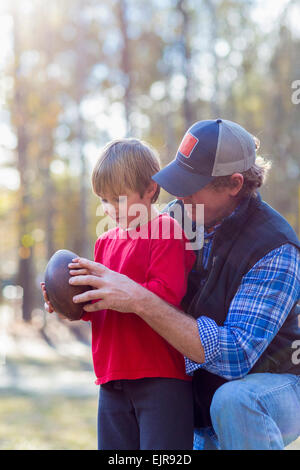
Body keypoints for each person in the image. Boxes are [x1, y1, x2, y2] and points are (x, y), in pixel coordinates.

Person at [67, 119, 300, 450]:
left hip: (277, 385)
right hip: (199, 383)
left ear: (234, 184)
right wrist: (77, 298)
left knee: (235, 401)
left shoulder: (274, 247)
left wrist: (138, 298)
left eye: (191, 185)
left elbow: (235, 357)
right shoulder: (176, 218)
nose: (178, 195)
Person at [41, 138, 196, 450]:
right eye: (103, 201)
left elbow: (166, 296)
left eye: (119, 200)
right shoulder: (105, 243)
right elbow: (103, 304)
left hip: (160, 376)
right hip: (111, 376)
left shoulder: (167, 232)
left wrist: (123, 293)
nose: (110, 210)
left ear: (151, 189)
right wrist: (71, 302)